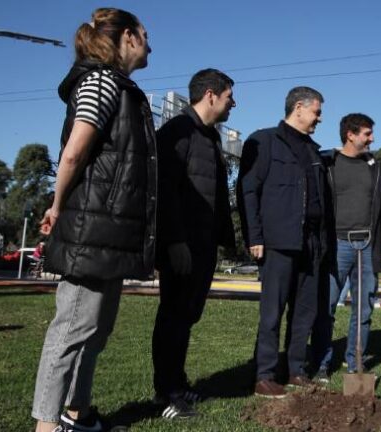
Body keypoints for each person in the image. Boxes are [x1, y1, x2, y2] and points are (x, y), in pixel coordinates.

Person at [32, 8, 154, 432]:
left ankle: (77, 414)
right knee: (71, 329)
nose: (150, 45)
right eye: (144, 35)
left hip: (111, 230)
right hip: (91, 228)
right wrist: (57, 204)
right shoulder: (100, 80)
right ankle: (46, 427)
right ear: (126, 37)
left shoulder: (119, 86)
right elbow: (74, 151)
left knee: (96, 331)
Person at [236, 86, 332, 398]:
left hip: (311, 245)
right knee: (272, 313)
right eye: (316, 111)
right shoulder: (263, 141)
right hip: (278, 242)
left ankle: (295, 370)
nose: (319, 118)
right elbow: (248, 191)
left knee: (304, 313)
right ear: (299, 108)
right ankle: (264, 375)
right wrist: (256, 236)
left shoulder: (314, 150)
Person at [151, 69, 237, 418]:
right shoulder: (177, 131)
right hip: (181, 245)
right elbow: (165, 190)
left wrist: (223, 239)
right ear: (211, 95)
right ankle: (167, 393)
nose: (234, 104)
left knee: (186, 317)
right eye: (231, 97)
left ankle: (178, 382)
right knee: (173, 316)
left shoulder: (211, 138)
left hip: (203, 244)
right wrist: (174, 241)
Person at [311, 113, 381, 383]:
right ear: (350, 134)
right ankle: (321, 363)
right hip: (336, 244)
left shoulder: (375, 167)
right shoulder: (326, 162)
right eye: (367, 134)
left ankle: (354, 362)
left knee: (365, 308)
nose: (372, 139)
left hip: (368, 245)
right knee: (327, 306)